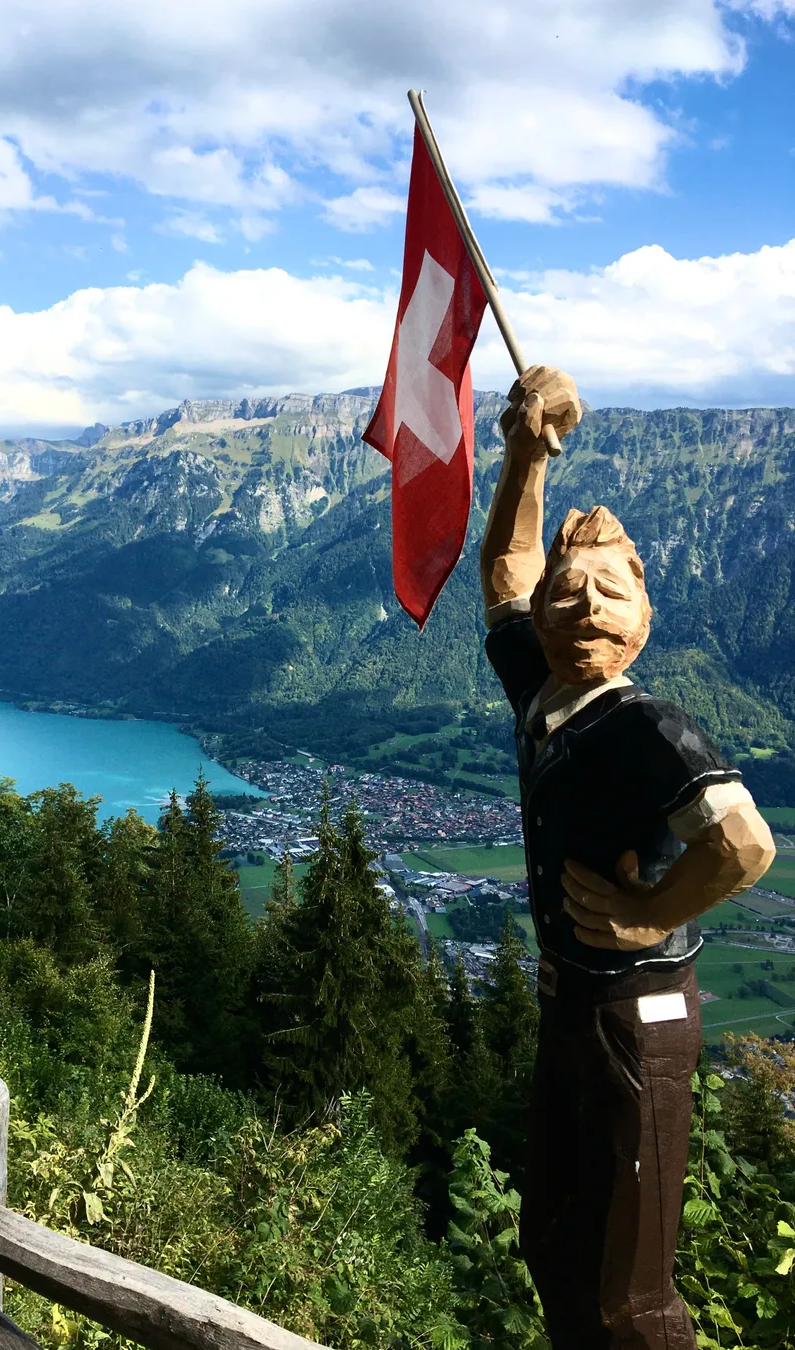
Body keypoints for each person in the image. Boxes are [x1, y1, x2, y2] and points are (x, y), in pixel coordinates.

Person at [480, 365, 776, 1350]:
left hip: (637, 1016)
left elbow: (745, 843)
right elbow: (509, 572)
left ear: (645, 616)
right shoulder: (544, 694)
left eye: (610, 591)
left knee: (630, 1294)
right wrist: (526, 457)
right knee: (555, 1244)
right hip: (569, 1004)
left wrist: (651, 914)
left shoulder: (649, 727)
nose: (585, 607)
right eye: (569, 593)